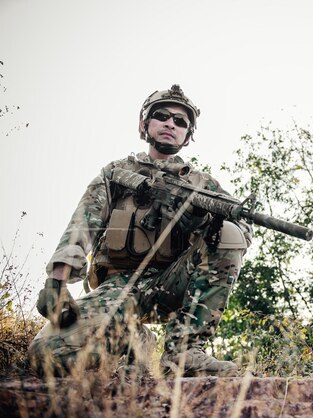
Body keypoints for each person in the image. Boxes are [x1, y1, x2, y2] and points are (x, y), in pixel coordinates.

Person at [28, 84, 251, 377]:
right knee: (44, 355)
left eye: (181, 121)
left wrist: (204, 222)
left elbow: (242, 230)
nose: (171, 123)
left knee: (229, 234)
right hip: (119, 288)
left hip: (173, 285)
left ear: (187, 136)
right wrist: (57, 281)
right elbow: (84, 222)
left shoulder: (203, 185)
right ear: (145, 124)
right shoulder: (117, 172)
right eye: (162, 116)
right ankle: (132, 340)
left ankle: (184, 354)